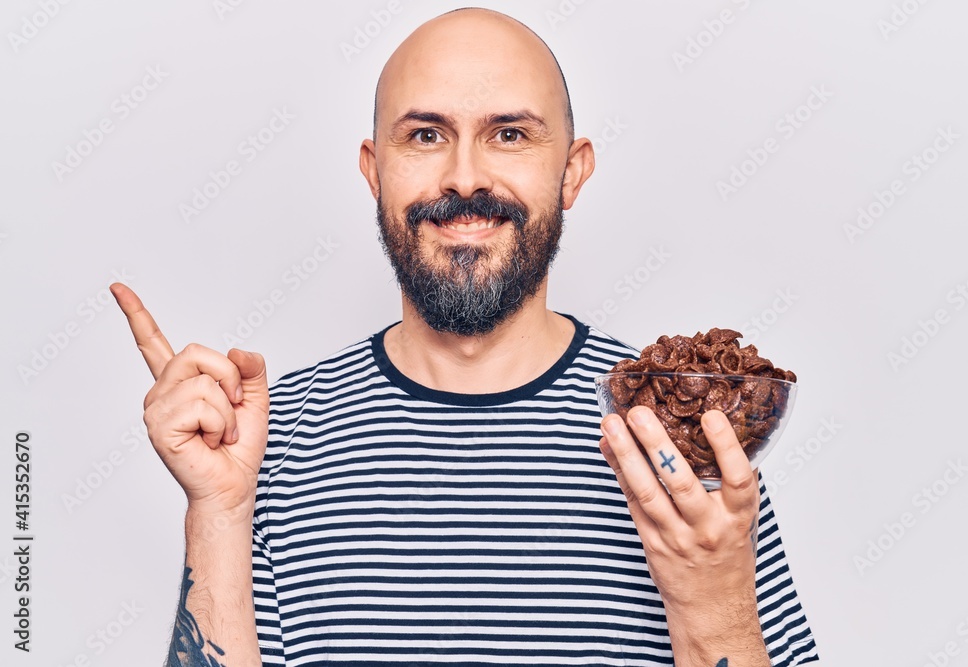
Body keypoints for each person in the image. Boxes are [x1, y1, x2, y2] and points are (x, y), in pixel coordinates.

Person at [112, 7, 818, 666]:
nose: (466, 176)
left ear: (571, 171)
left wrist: (715, 603)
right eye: (425, 135)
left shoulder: (676, 433)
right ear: (374, 171)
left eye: (509, 134)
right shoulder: (262, 442)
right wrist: (217, 512)